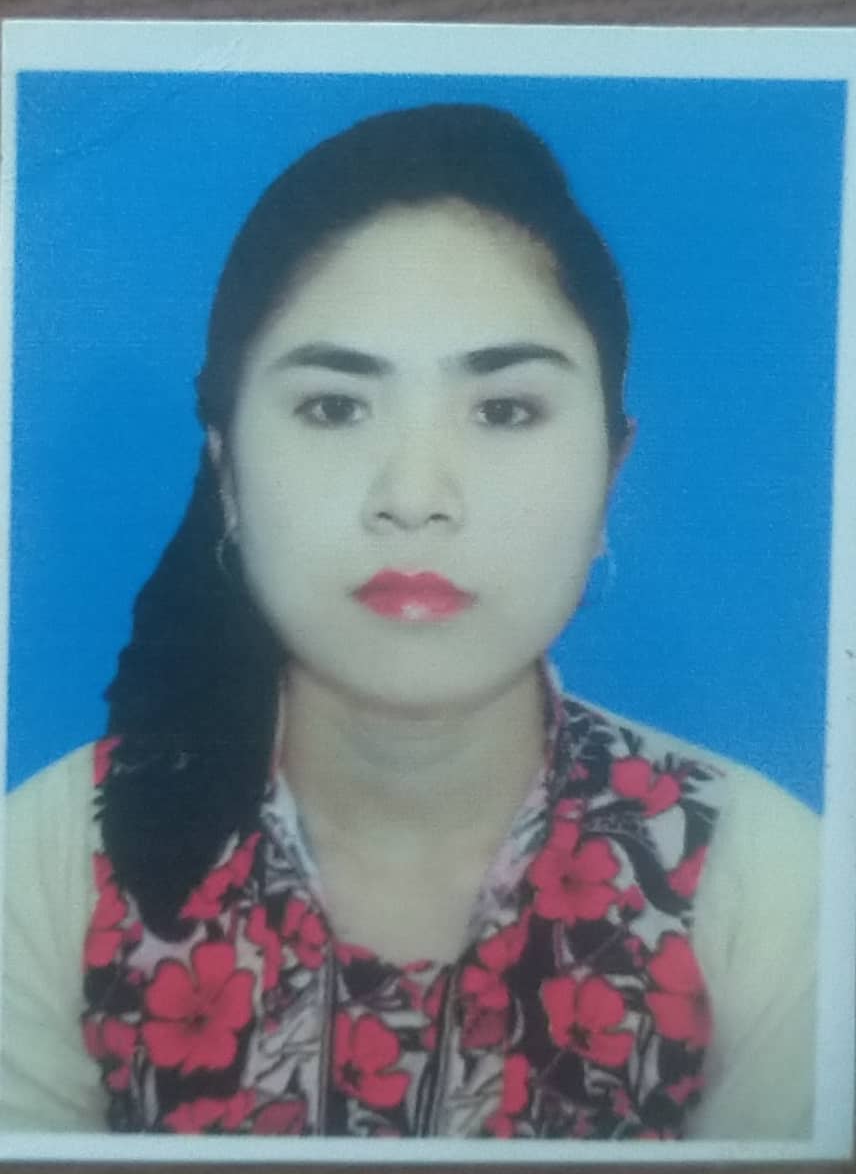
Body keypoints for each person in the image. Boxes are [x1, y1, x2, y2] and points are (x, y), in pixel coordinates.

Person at [0, 104, 818, 1139]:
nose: (416, 497)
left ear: (610, 471)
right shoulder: (49, 862)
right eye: (335, 407)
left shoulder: (769, 883)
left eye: (504, 410)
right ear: (228, 472)